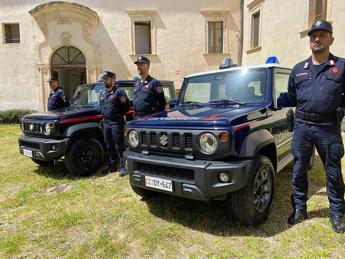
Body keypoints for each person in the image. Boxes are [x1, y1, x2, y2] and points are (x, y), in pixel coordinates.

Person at [278, 20, 345, 233]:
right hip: (303, 126)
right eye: (313, 36)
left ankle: (336, 212)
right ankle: (299, 208)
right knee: (298, 169)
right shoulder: (298, 69)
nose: (317, 39)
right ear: (309, 41)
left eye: (322, 35)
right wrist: (278, 100)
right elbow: (292, 96)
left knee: (333, 172)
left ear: (331, 39)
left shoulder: (341, 66)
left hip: (328, 126)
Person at [99, 71, 131, 176]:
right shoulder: (103, 93)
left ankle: (123, 167)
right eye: (104, 79)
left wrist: (117, 115)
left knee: (119, 146)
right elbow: (101, 106)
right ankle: (112, 167)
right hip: (106, 123)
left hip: (116, 123)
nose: (104, 81)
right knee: (109, 146)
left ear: (113, 79)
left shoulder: (119, 92)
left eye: (107, 79)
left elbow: (126, 107)